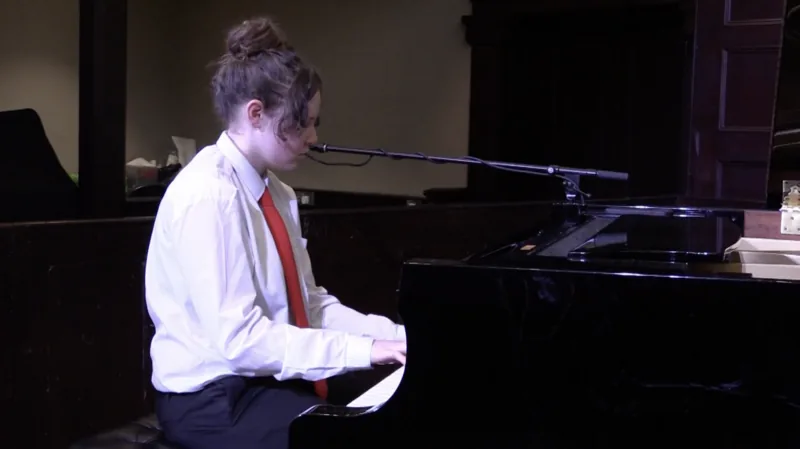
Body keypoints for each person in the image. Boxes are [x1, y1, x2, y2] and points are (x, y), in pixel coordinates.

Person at [144, 16, 407, 449]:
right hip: (212, 398)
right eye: (302, 122)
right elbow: (239, 341)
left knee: (394, 411)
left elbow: (311, 306)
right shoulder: (209, 195)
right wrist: (362, 351)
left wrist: (392, 337)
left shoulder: (278, 193)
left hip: (263, 379)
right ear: (255, 113)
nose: (313, 136)